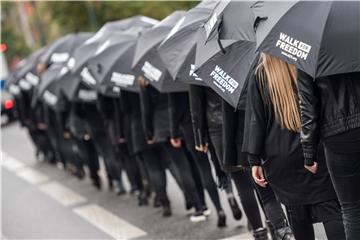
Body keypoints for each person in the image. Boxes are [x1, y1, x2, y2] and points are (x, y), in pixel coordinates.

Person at [245, 53, 346, 240]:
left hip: (281, 158)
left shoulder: (259, 75)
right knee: (331, 208)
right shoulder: (309, 64)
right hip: (316, 151)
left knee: (298, 218)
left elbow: (256, 121)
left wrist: (254, 160)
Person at [189, 84, 268, 239]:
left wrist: (200, 137)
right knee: (260, 179)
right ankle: (273, 223)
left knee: (241, 184)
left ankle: (259, 231)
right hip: (244, 119)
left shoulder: (201, 63)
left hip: (217, 128)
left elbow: (196, 105)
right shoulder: (240, 59)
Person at [297, 68, 360, 240]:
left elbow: (308, 106)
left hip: (337, 136)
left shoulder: (309, 51)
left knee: (351, 208)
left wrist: (309, 153)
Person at [223, 99, 293, 240]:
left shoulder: (232, 81)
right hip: (277, 135)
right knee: (288, 188)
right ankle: (290, 229)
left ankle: (282, 232)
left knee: (266, 194)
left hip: (247, 143)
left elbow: (229, 121)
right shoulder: (267, 76)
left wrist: (230, 157)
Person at [139, 77, 206, 223]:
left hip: (162, 128)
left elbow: (146, 110)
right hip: (181, 123)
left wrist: (149, 133)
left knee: (182, 167)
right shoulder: (171, 72)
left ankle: (198, 206)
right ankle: (203, 203)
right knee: (193, 164)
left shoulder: (147, 79)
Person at [168, 91, 227, 227]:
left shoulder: (174, 78)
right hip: (208, 121)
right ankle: (229, 195)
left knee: (203, 168)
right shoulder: (197, 71)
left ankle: (219, 209)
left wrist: (174, 132)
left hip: (189, 127)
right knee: (219, 162)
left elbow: (173, 107)